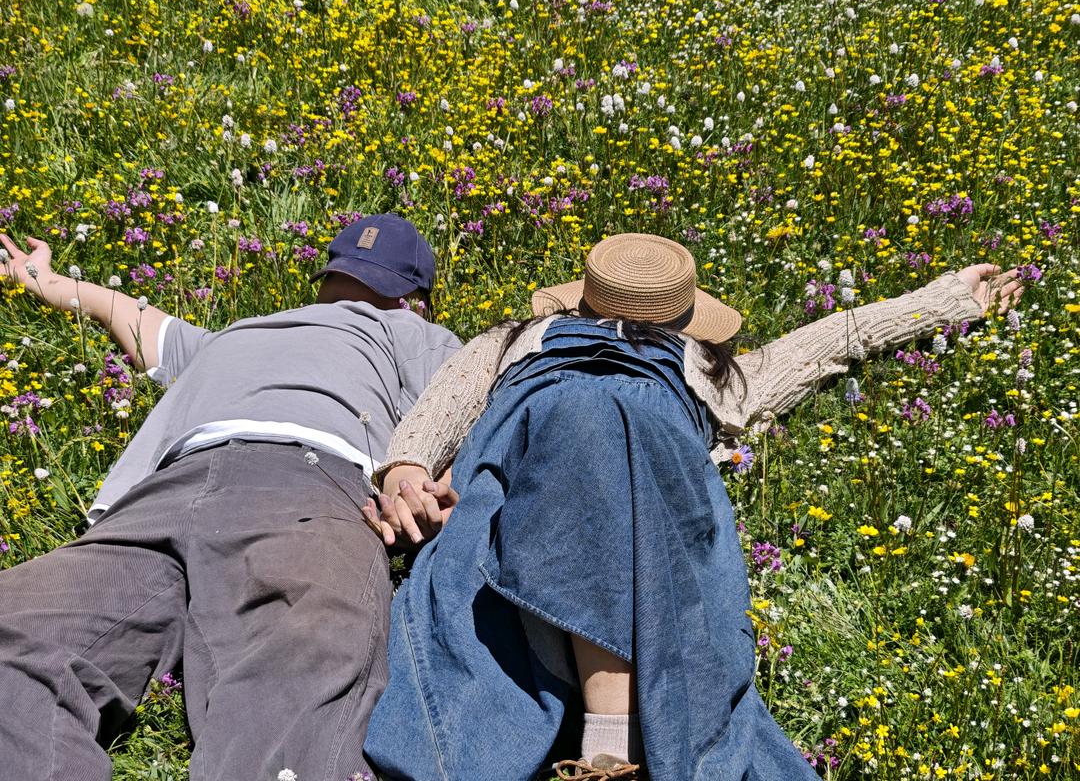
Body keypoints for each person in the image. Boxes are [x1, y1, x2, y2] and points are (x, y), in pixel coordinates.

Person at [362, 233, 1022, 780]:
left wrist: (947, 300)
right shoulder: (521, 345)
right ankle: (610, 746)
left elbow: (831, 342)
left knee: (608, 426)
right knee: (585, 416)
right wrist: (409, 470)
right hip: (523, 503)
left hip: (643, 504)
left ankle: (605, 745)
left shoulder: (690, 367)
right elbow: (436, 417)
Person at [0, 213, 461, 781]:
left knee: (15, 641)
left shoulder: (243, 331)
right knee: (298, 666)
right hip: (303, 488)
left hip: (161, 494)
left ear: (325, 278)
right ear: (415, 297)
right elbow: (458, 409)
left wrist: (47, 282)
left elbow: (139, 320)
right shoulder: (416, 335)